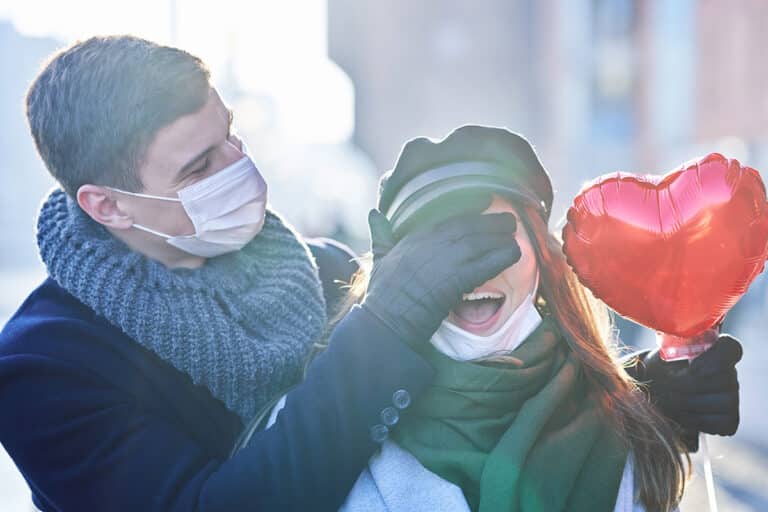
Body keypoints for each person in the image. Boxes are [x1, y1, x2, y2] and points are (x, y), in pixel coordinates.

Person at [0, 37, 524, 511]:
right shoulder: (43, 368)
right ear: (108, 206)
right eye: (199, 167)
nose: (238, 165)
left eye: (230, 134)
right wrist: (386, 325)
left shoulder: (325, 269)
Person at [326, 125, 743, 511]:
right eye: (444, 244)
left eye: (498, 233)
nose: (475, 266)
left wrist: (645, 404)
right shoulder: (335, 438)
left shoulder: (631, 429)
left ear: (543, 259)